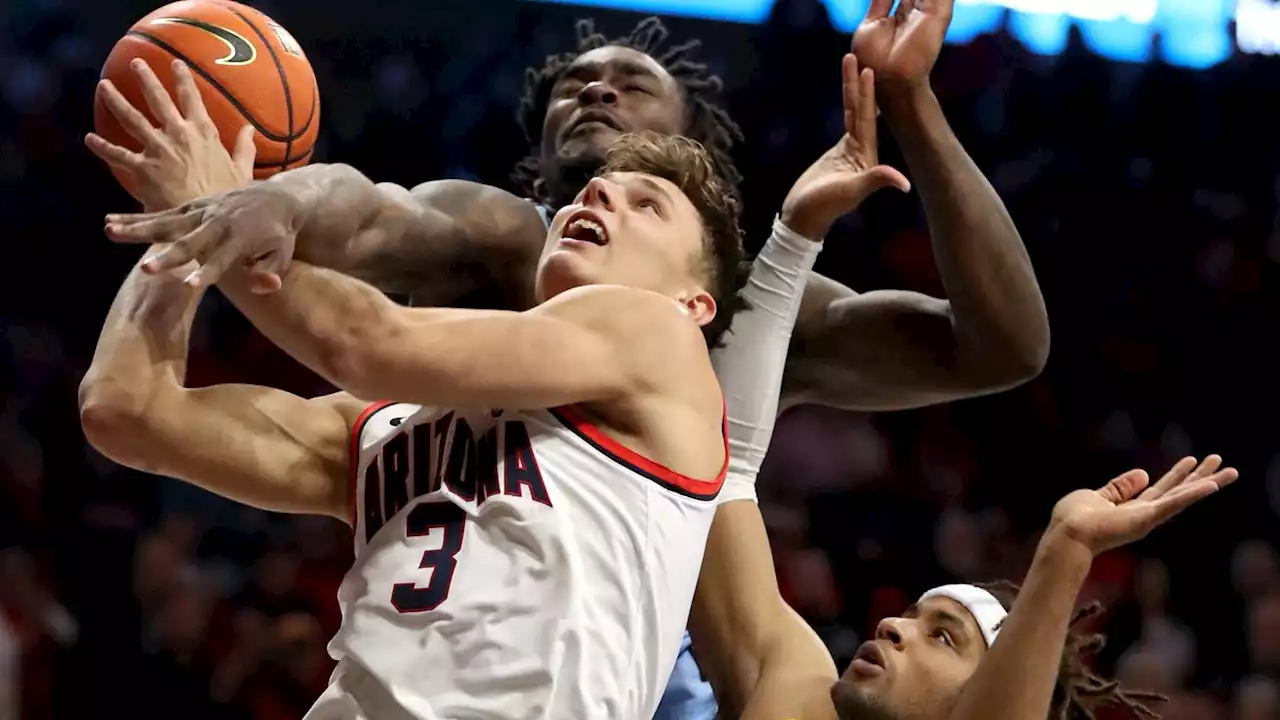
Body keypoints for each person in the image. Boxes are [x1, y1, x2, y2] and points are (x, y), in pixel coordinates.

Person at [90, 3, 1042, 717]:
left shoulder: (688, 327)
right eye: (574, 86)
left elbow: (1000, 345)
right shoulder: (495, 243)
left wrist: (910, 106)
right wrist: (230, 215)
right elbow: (136, 403)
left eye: (633, 88)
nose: (596, 90)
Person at [82, 131, 752, 719]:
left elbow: (365, 342)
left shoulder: (660, 336)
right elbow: (128, 411)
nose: (599, 197)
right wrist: (183, 227)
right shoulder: (383, 425)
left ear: (692, 303)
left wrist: (216, 204)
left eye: (646, 205)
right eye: (598, 189)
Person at [833, 455, 1237, 720]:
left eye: (943, 637)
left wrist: (1069, 547)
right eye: (909, 617)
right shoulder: (797, 690)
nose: (890, 626)